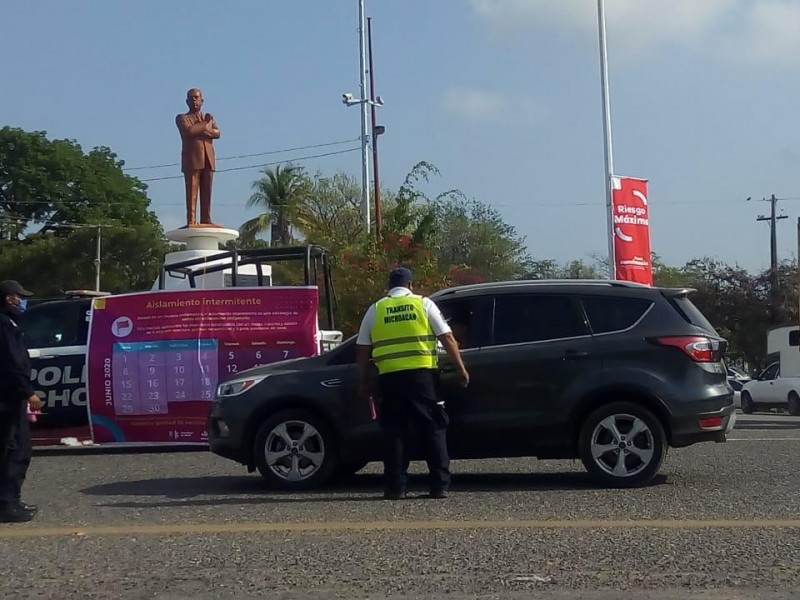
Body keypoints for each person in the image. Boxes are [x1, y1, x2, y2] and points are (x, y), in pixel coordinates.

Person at [356, 267, 469, 500]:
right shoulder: (423, 304)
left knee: (394, 431)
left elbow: (362, 348)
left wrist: (363, 379)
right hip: (422, 378)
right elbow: (446, 337)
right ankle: (439, 486)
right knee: (433, 428)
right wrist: (461, 368)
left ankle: (395, 488)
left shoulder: (376, 309)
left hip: (390, 379)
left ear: (389, 286)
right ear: (410, 285)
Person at [0, 280, 41, 523]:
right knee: (16, 452)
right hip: (8, 399)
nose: (21, 301)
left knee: (10, 450)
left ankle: (10, 500)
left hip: (7, 397)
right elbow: (14, 363)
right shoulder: (5, 325)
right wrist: (29, 392)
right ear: (9, 298)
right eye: (19, 297)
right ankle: (8, 504)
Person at [176, 88, 220, 227]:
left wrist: (202, 128)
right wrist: (206, 124)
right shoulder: (182, 117)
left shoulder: (208, 117)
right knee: (192, 191)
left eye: (197, 97)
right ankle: (191, 220)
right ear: (187, 101)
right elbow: (190, 131)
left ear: (202, 100)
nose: (194, 100)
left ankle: (206, 218)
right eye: (191, 98)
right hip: (192, 159)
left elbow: (217, 133)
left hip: (208, 157)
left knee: (207, 190)